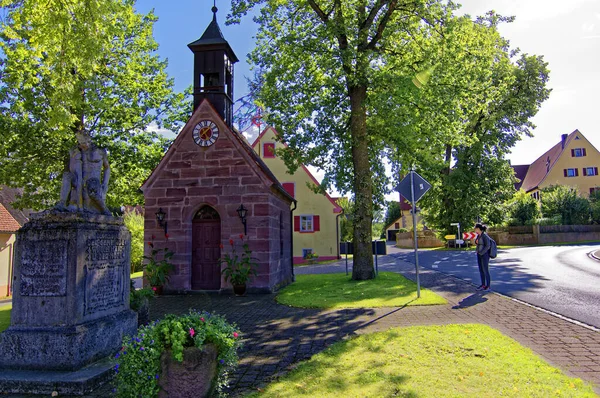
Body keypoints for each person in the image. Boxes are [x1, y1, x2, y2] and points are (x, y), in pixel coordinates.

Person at [57, 131, 111, 215]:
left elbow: (107, 168)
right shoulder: (77, 151)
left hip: (93, 181)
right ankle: (62, 203)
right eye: (80, 142)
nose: (82, 145)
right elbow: (73, 168)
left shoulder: (100, 151)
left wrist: (105, 183)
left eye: (84, 142)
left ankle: (104, 209)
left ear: (89, 139)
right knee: (67, 175)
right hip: (79, 181)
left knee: (92, 188)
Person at [474, 223, 491, 291]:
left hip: (484, 255)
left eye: (475, 228)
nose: (475, 230)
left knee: (485, 270)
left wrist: (482, 252)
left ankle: (488, 285)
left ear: (478, 228)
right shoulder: (478, 236)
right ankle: (483, 284)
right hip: (479, 254)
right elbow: (477, 243)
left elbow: (488, 245)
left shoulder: (484, 236)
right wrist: (476, 242)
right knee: (481, 270)